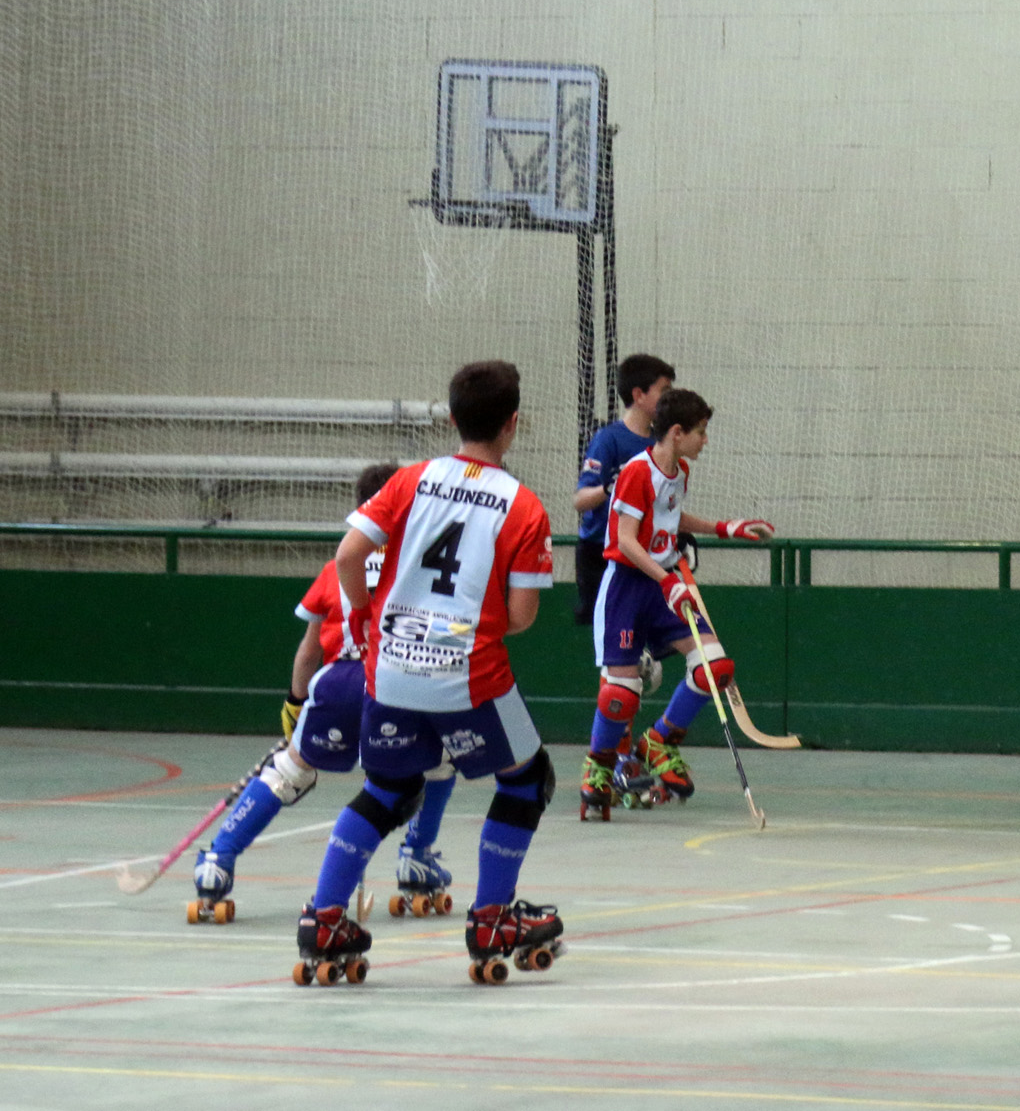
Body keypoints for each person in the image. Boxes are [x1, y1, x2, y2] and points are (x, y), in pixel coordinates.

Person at [293, 360, 561, 987]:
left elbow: (349, 556)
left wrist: (364, 616)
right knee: (527, 780)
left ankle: (324, 917)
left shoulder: (411, 480)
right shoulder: (522, 507)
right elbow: (520, 617)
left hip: (389, 669)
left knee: (389, 789)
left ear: (451, 418)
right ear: (513, 424)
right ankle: (492, 920)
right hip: (469, 674)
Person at [189, 463, 459, 922]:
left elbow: (309, 649)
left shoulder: (338, 566)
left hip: (337, 684)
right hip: (399, 684)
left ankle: (217, 861)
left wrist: (296, 703)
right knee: (435, 766)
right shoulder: (418, 565)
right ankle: (415, 853)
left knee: (289, 770)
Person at [580, 387, 772, 816]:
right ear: (677, 431)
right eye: (701, 433)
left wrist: (725, 527)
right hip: (629, 588)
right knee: (621, 694)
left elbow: (669, 517)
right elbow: (627, 541)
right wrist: (668, 581)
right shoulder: (635, 472)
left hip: (663, 584)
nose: (706, 441)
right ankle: (599, 767)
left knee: (714, 667)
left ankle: (659, 741)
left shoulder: (679, 470)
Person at [573, 354, 674, 627]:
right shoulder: (608, 440)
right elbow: (580, 501)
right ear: (639, 395)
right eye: (664, 391)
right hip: (601, 554)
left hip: (643, 555)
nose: (669, 398)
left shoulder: (660, 445)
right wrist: (610, 487)